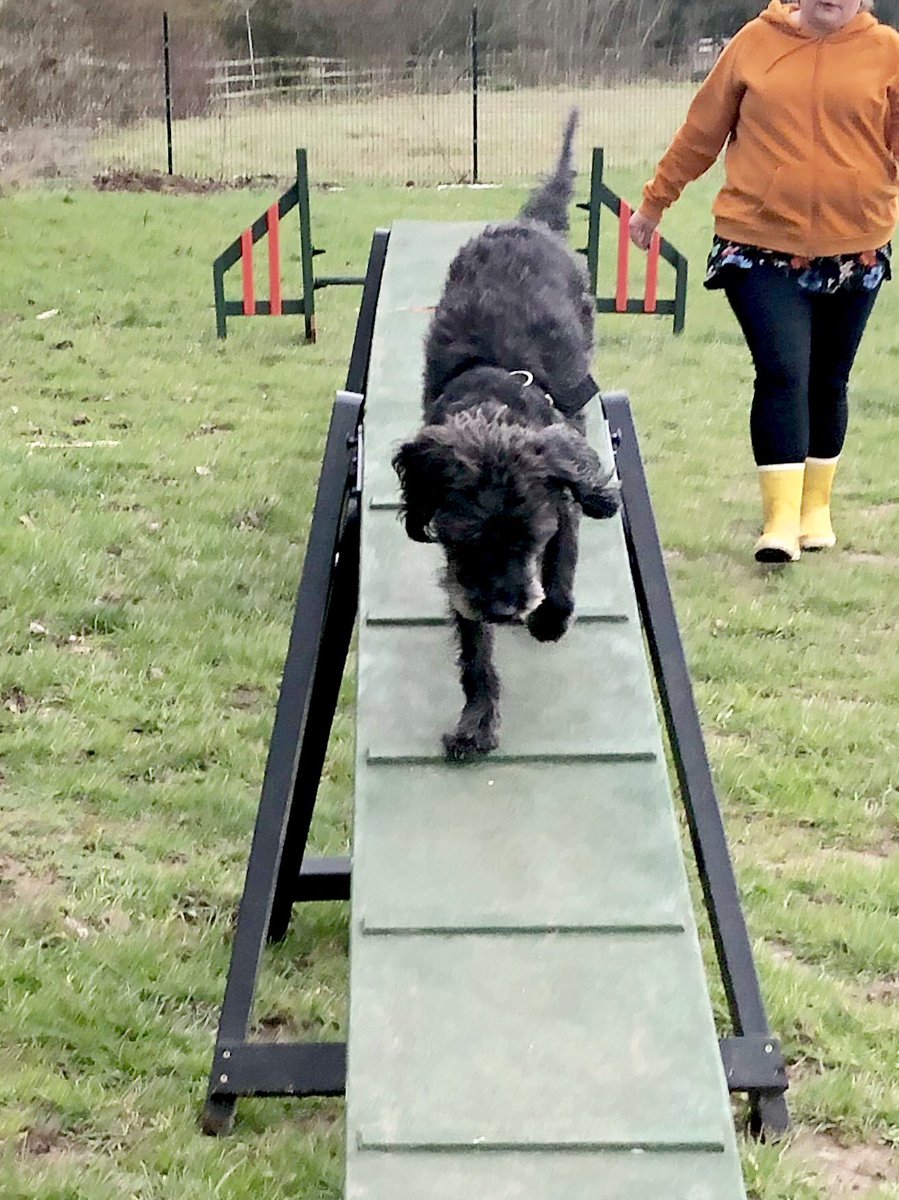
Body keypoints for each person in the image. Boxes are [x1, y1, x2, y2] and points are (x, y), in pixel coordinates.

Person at [630, 0, 899, 562]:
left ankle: (814, 510)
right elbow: (701, 131)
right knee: (782, 371)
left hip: (856, 245)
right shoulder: (755, 42)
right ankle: (778, 523)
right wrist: (654, 204)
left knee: (829, 379)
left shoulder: (886, 53)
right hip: (758, 242)